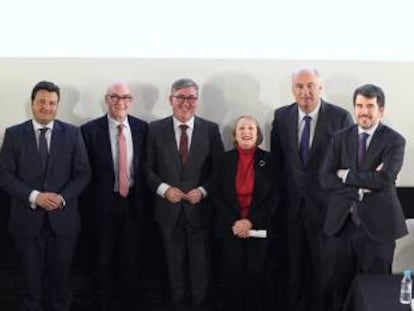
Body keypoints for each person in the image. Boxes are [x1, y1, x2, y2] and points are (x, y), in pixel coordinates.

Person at [0, 81, 91, 311]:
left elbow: (83, 174)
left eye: (52, 103)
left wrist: (61, 198)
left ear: (57, 106)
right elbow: (5, 176)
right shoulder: (13, 134)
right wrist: (35, 196)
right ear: (32, 103)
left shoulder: (72, 133)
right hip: (26, 224)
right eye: (41, 102)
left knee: (61, 286)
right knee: (30, 286)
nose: (46, 107)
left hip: (63, 223)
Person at [270, 67, 353, 311]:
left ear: (320, 87)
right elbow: (277, 163)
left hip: (326, 210)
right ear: (292, 89)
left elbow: (346, 165)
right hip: (291, 209)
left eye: (310, 86)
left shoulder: (340, 117)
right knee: (293, 270)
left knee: (323, 271)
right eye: (299, 86)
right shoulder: (281, 116)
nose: (305, 92)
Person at [321, 84, 407, 311]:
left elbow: (384, 180)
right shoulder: (340, 137)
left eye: (370, 106)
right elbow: (325, 178)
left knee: (377, 293)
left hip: (378, 229)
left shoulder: (395, 141)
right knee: (338, 290)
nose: (364, 112)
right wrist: (358, 189)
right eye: (359, 106)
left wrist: (346, 174)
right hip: (341, 226)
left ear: (381, 110)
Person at [146, 78, 224, 311]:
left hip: (199, 212)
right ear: (171, 100)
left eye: (191, 97)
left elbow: (219, 170)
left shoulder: (210, 129)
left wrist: (202, 191)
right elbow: (146, 169)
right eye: (180, 97)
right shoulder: (154, 129)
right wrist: (163, 189)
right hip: (167, 212)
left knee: (200, 270)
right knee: (172, 269)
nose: (185, 102)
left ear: (197, 102)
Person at [80, 82, 148, 311]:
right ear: (106, 99)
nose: (120, 102)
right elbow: (85, 172)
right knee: (101, 262)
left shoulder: (142, 129)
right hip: (102, 206)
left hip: (133, 205)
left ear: (131, 100)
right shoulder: (89, 130)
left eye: (126, 97)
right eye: (115, 97)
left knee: (131, 262)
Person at [212, 116, 280, 311]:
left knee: (257, 279)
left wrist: (250, 221)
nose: (246, 132)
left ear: (257, 134)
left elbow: (275, 197)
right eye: (241, 128)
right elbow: (216, 195)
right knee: (232, 279)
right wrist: (236, 223)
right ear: (235, 135)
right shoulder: (223, 160)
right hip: (230, 229)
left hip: (259, 229)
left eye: (251, 128)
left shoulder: (269, 160)